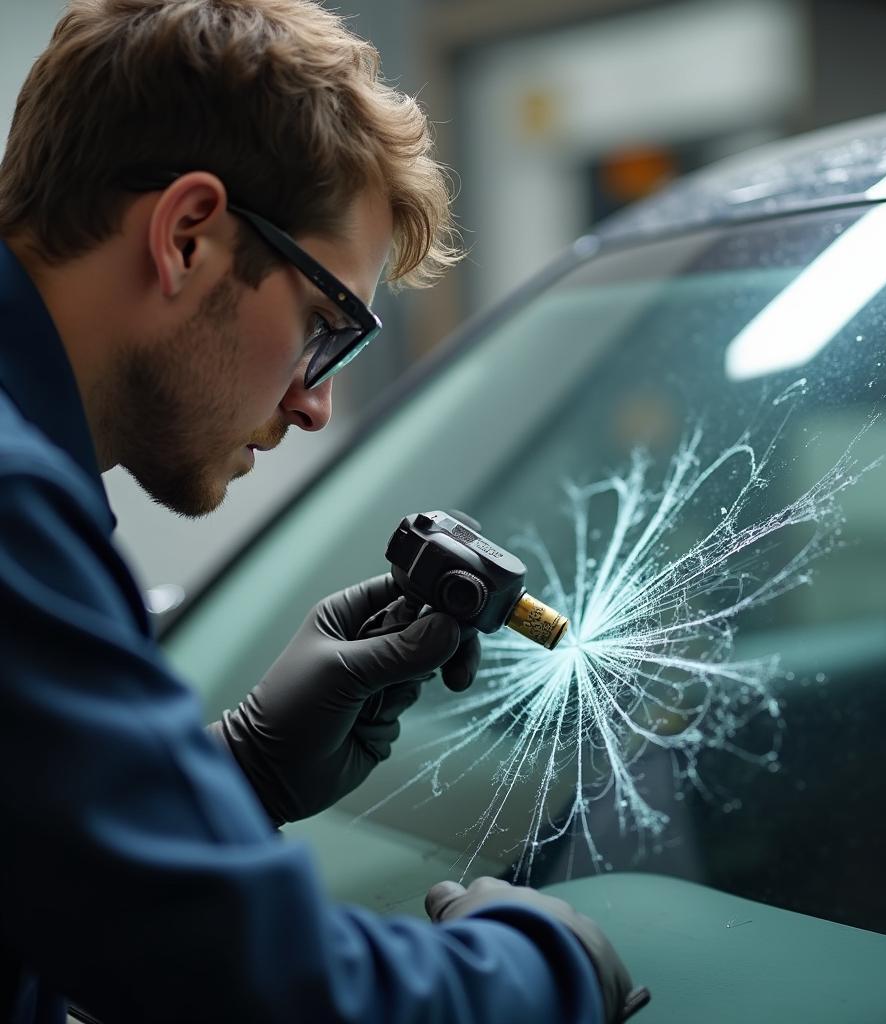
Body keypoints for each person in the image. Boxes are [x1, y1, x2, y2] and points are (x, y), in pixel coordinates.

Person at [0, 1, 636, 1021]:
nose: (313, 401)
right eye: (324, 325)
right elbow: (250, 984)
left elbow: (41, 873)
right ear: (188, 236)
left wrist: (237, 762)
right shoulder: (15, 508)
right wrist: (540, 972)